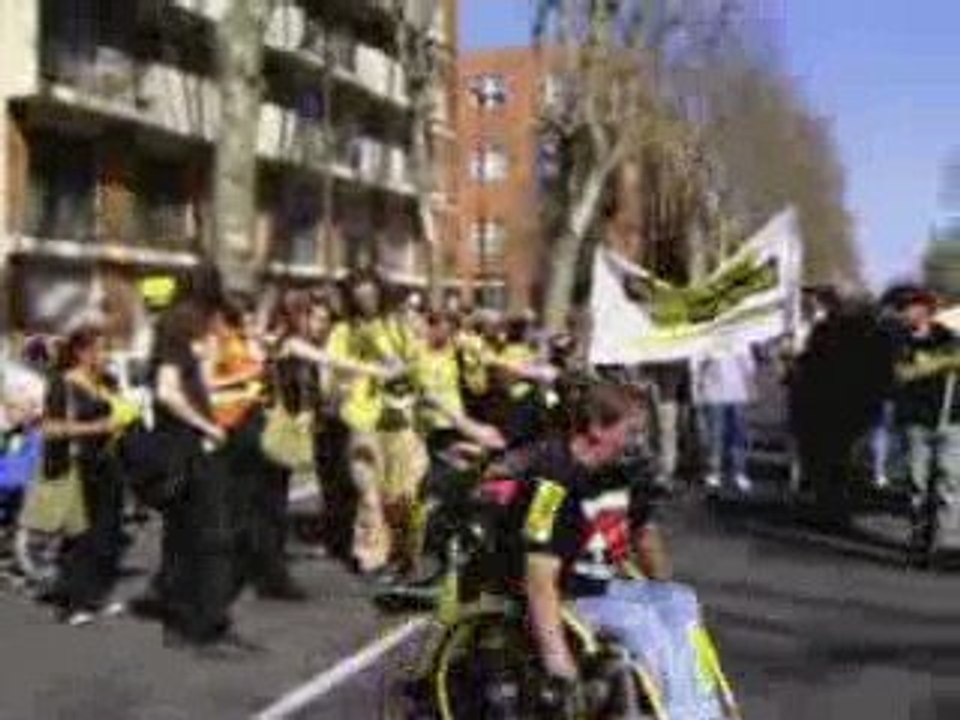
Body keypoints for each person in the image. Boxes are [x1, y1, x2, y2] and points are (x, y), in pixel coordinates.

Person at [502, 380, 721, 718]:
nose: (637, 442)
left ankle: (702, 709)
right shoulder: (551, 484)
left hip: (603, 585)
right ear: (596, 429)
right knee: (642, 623)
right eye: (631, 431)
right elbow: (538, 577)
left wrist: (662, 589)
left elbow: (644, 535)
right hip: (568, 595)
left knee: (681, 601)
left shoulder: (619, 472)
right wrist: (557, 658)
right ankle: (681, 713)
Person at [133, 265, 247, 654]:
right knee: (206, 533)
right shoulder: (179, 324)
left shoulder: (190, 323)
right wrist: (207, 427)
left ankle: (195, 618)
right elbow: (168, 390)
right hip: (186, 444)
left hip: (190, 442)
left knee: (189, 534)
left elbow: (198, 381)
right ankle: (198, 623)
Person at [327, 271, 427, 581]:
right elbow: (333, 367)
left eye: (371, 296)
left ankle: (405, 554)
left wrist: (396, 365)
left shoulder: (398, 326)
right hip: (362, 420)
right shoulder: (343, 331)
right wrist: (342, 388)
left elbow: (417, 365)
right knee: (369, 493)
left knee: (402, 496)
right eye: (359, 298)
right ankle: (371, 556)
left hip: (399, 421)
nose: (366, 302)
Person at [40, 326, 127, 626]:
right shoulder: (64, 384)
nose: (106, 356)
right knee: (80, 537)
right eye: (101, 350)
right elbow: (51, 428)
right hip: (79, 466)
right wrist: (97, 428)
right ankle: (72, 602)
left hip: (106, 464)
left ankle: (95, 596)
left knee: (107, 533)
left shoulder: (102, 382)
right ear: (82, 353)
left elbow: (115, 412)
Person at [891, 287, 960, 550]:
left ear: (924, 310)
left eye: (908, 307)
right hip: (916, 421)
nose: (904, 313)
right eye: (902, 308)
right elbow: (901, 374)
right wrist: (938, 364)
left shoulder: (949, 337)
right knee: (916, 481)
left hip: (952, 420)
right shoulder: (898, 341)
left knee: (950, 481)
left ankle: (946, 542)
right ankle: (919, 534)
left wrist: (937, 360)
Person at [693, 339, 756, 493]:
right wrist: (698, 394)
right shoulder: (706, 341)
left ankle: (739, 472)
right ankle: (714, 472)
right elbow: (695, 367)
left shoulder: (741, 342)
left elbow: (750, 367)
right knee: (716, 434)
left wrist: (751, 388)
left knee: (738, 434)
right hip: (714, 394)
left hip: (737, 394)